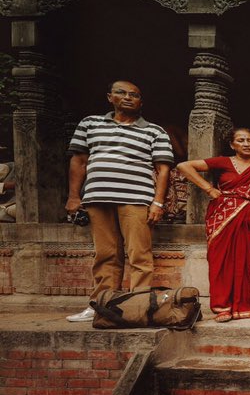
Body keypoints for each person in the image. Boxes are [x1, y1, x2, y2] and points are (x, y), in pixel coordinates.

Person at [64, 80, 174, 322]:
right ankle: (101, 305)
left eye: (134, 94)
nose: (127, 97)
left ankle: (139, 306)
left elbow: (163, 170)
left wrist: (157, 203)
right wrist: (73, 196)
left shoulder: (154, 131)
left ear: (141, 102)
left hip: (136, 198)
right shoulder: (90, 124)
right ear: (109, 97)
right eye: (121, 93)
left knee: (139, 255)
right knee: (105, 254)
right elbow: (79, 161)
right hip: (97, 197)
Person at [176, 127, 250, 322]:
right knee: (221, 259)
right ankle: (222, 307)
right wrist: (209, 189)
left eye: (249, 141)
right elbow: (184, 166)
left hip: (249, 209)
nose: (246, 144)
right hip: (223, 213)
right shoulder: (224, 162)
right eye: (241, 140)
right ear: (232, 145)